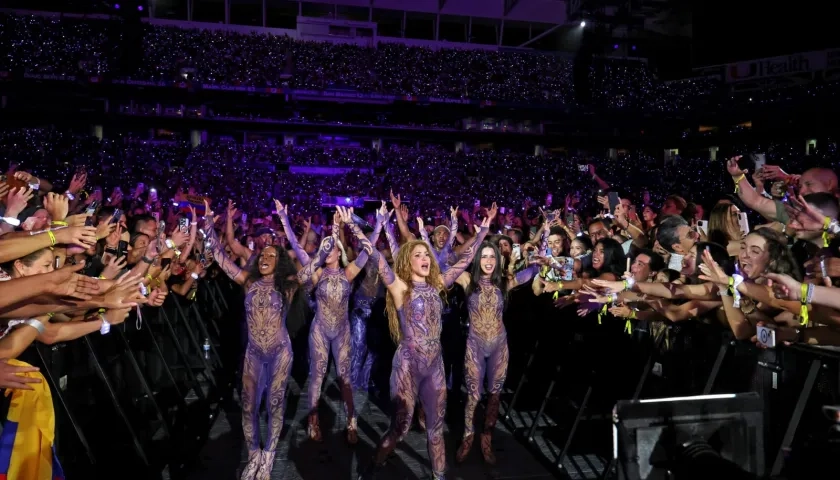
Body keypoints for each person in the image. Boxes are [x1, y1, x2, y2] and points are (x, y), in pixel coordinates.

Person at [361, 208, 494, 480]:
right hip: (407, 367)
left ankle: (438, 476)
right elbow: (376, 257)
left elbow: (466, 259)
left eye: (426, 255)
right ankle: (375, 464)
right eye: (418, 255)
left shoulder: (438, 285)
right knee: (400, 427)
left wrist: (482, 232)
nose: (424, 258)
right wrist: (365, 227)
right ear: (407, 262)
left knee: (435, 428)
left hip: (435, 366)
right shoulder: (399, 288)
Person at [202, 200, 297, 480]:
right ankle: (254, 455)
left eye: (271, 254)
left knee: (275, 405)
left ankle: (269, 456)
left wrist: (287, 223)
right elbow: (220, 255)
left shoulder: (288, 285)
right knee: (248, 406)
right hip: (253, 352)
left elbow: (311, 261)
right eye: (262, 254)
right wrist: (208, 223)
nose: (265, 257)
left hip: (280, 352)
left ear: (280, 261)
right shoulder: (247, 280)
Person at [453, 241, 539, 464]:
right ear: (477, 260)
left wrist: (538, 261)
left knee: (494, 396)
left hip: (499, 347)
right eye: (484, 256)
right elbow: (443, 267)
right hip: (475, 346)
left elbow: (528, 273)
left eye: (492, 256)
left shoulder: (504, 283)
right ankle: (467, 437)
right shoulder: (467, 280)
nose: (489, 261)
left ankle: (487, 440)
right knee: (473, 395)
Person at [296, 205, 373, 443]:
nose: (326, 250)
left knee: (344, 378)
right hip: (319, 330)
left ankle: (351, 422)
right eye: (323, 248)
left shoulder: (348, 273)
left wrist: (348, 225)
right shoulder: (317, 273)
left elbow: (368, 250)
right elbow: (298, 250)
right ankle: (313, 421)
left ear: (338, 252)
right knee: (317, 376)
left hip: (341, 331)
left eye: (331, 248)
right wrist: (288, 225)